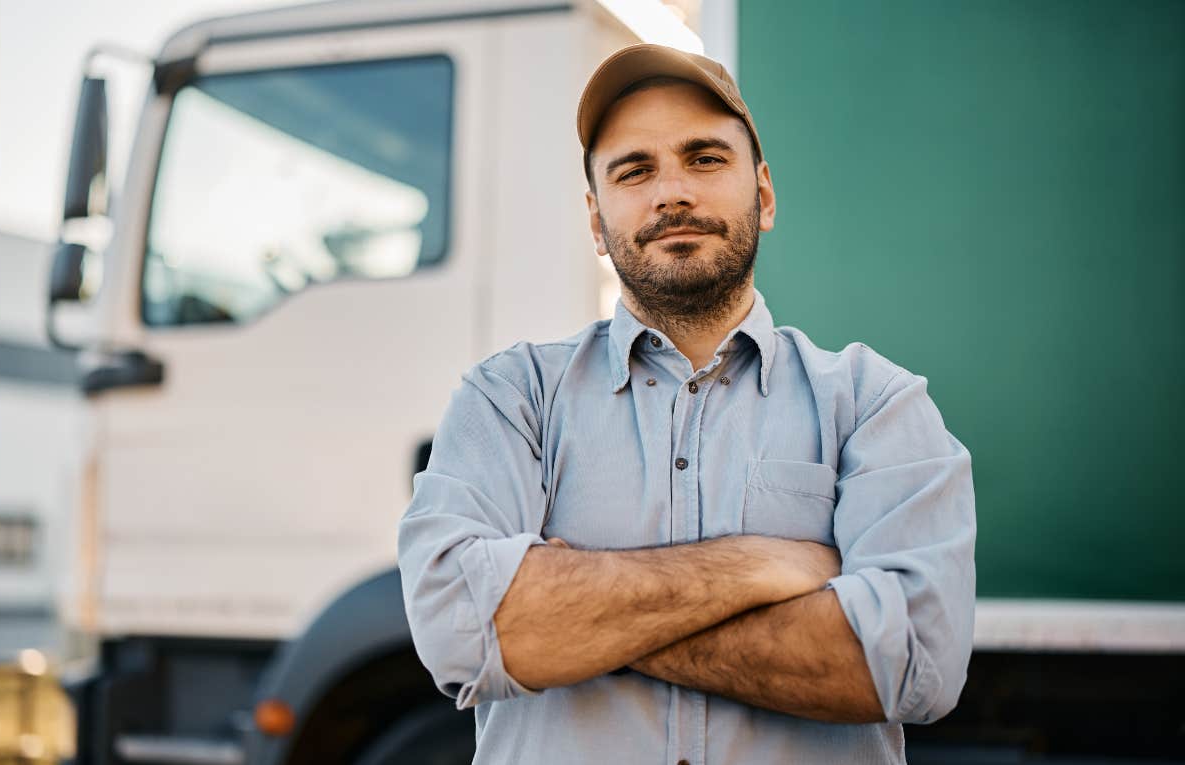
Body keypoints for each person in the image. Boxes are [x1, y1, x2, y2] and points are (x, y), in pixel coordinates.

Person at [398, 43, 976, 764]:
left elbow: (914, 660)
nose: (671, 191)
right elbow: (458, 629)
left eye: (705, 158)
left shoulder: (874, 403)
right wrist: (759, 565)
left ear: (763, 196)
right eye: (634, 170)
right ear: (595, 217)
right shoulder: (509, 397)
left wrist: (578, 619)